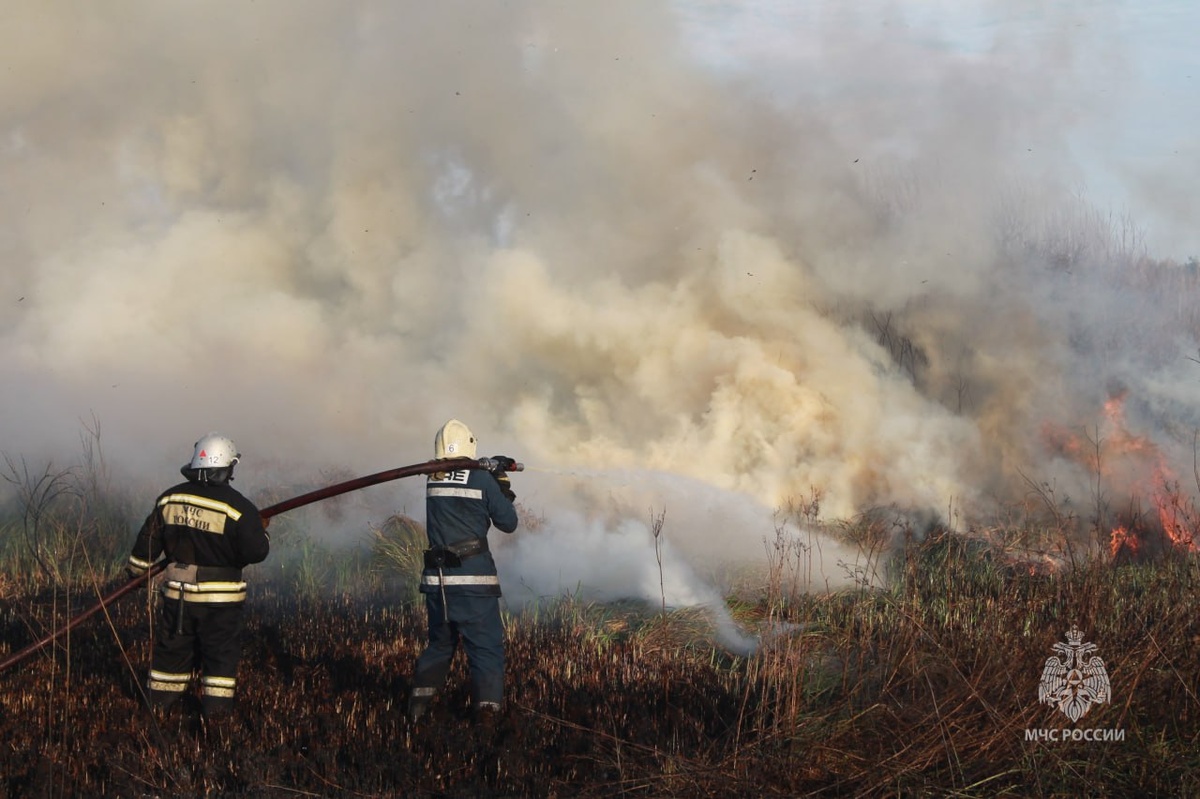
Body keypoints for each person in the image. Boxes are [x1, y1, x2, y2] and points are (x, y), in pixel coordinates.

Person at [127, 433, 270, 718]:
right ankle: (215, 719)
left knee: (171, 652)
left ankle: (157, 711)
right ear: (229, 467)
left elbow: (147, 542)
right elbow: (256, 552)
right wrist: (261, 530)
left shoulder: (170, 498)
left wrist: (137, 573)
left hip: (177, 596)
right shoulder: (239, 508)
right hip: (220, 601)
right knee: (219, 657)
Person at [408, 419, 519, 726]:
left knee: (440, 645)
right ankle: (487, 717)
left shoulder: (433, 477)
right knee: (485, 648)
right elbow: (508, 523)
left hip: (438, 583)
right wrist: (502, 486)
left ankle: (417, 711)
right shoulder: (483, 480)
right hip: (473, 581)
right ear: (471, 445)